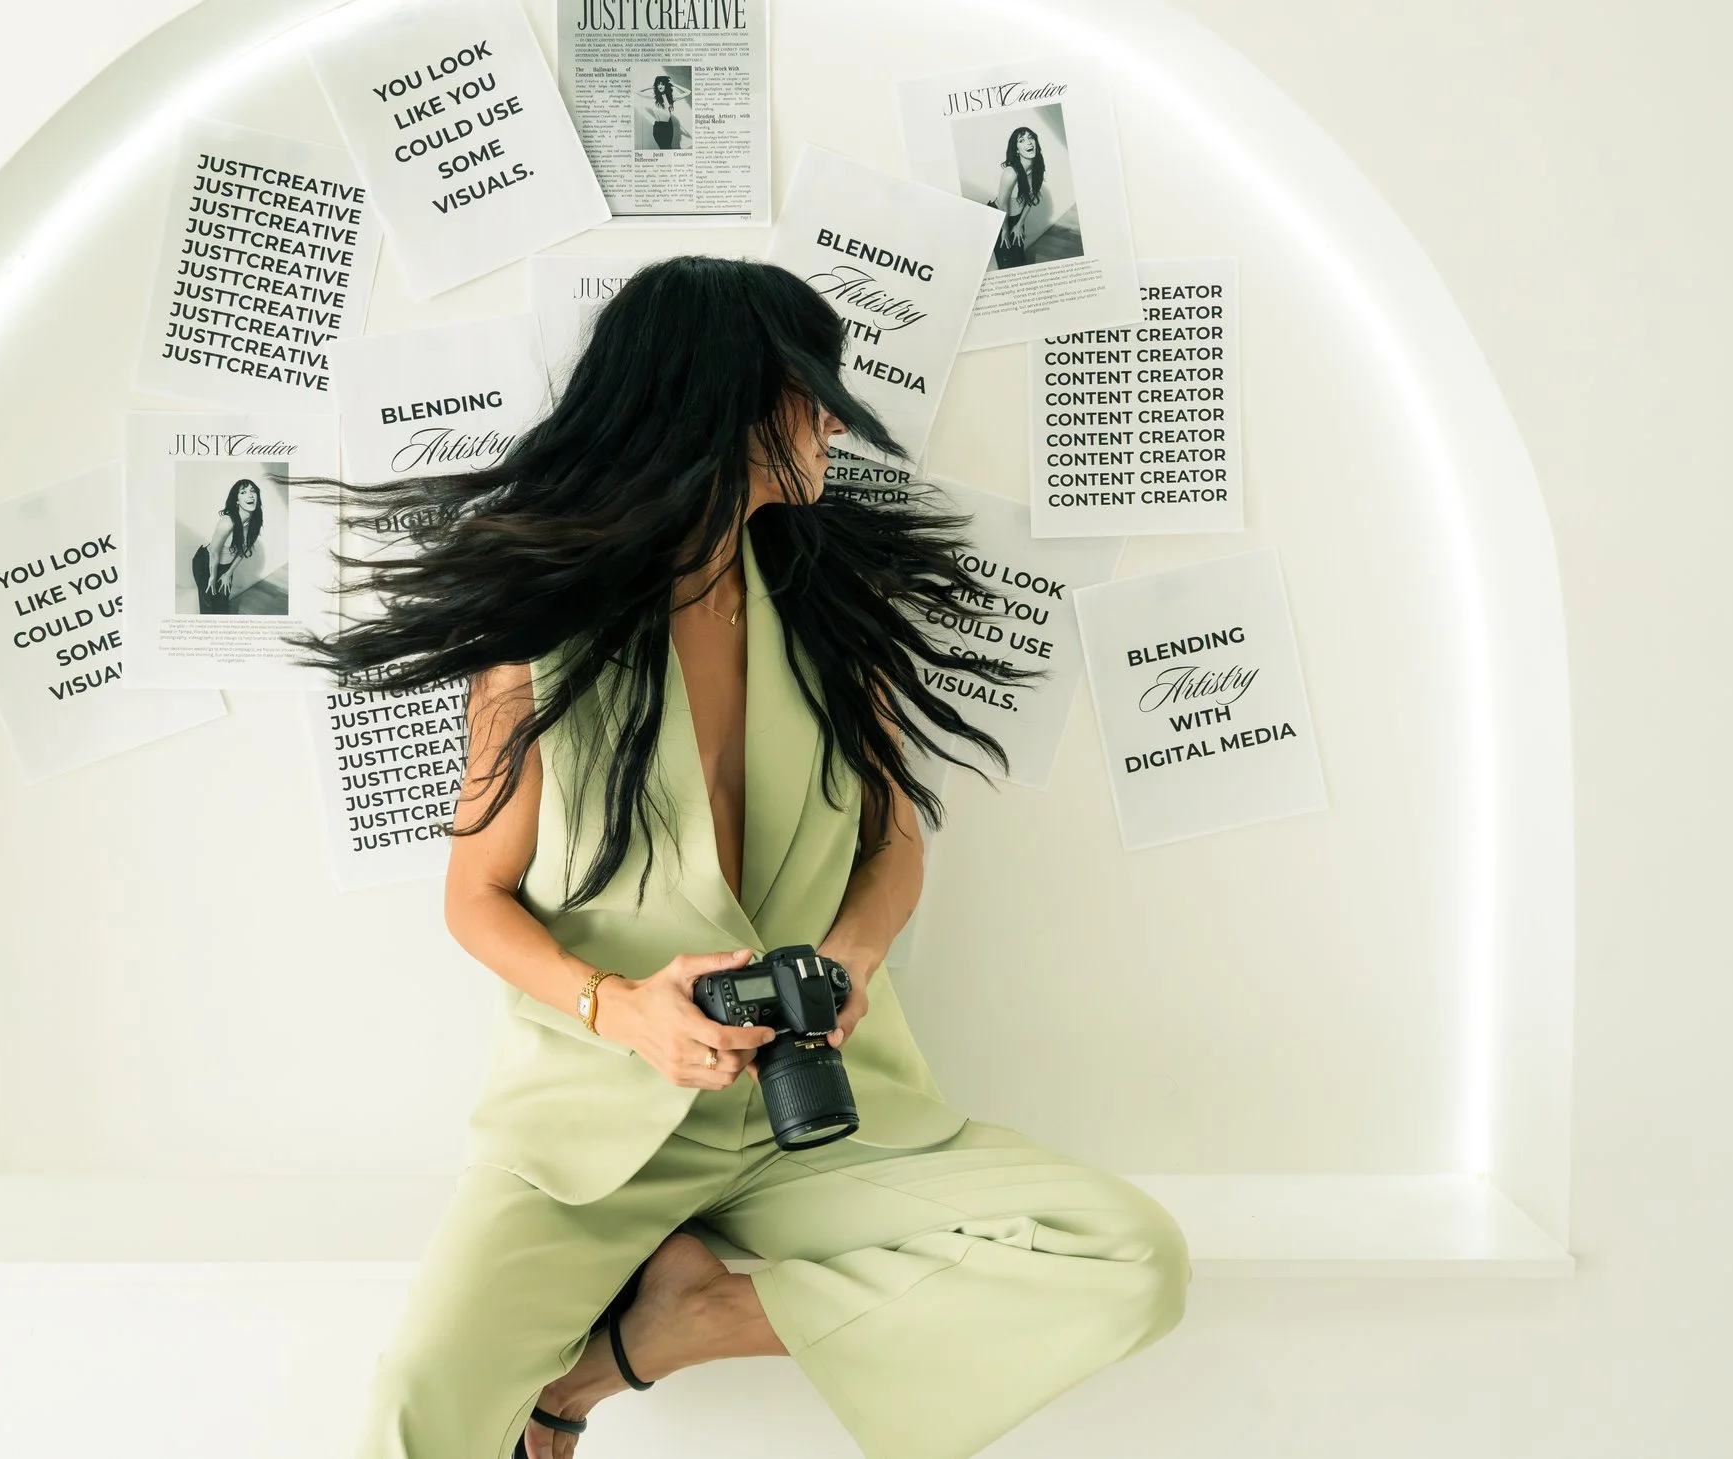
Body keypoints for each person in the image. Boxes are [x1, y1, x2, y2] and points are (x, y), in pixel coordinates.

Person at [298, 256, 1191, 1459]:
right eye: (809, 387)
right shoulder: (544, 635)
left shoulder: (829, 604)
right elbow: (476, 896)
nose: (831, 416)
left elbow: (893, 838)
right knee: (420, 1400)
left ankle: (669, 1326)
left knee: (1130, 1256)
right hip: (599, 1117)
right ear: (728, 395)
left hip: (813, 1109)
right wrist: (622, 1011)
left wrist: (853, 956)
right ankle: (632, 1309)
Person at [190, 477, 263, 615]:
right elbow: (214, 554)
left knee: (222, 606)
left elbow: (244, 550)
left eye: (253, 491)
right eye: (243, 492)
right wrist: (213, 577)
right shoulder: (227, 522)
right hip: (206, 563)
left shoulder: (255, 521)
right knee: (208, 607)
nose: (250, 495)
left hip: (225, 567)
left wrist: (228, 574)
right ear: (236, 500)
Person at [990, 126, 1048, 267]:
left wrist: (1019, 224)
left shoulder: (1037, 168)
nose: (1028, 142)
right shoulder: (1011, 173)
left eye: (1031, 137)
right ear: (1016, 149)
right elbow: (1002, 205)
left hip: (1016, 218)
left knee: (1020, 259)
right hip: (1000, 218)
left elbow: (1032, 198)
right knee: (1007, 264)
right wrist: (1004, 229)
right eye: (1021, 140)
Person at [642, 71, 689, 150]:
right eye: (658, 84)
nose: (660, 86)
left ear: (666, 86)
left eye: (662, 84)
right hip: (657, 127)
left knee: (667, 148)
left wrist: (674, 84)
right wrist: (651, 87)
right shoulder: (654, 97)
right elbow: (637, 92)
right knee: (662, 148)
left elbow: (688, 92)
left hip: (667, 127)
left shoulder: (671, 98)